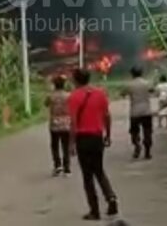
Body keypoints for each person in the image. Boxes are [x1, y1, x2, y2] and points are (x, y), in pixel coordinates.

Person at [68, 68, 118, 220]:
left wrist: (71, 144)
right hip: (97, 137)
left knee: (87, 176)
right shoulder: (100, 93)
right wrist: (108, 134)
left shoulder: (74, 97)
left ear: (75, 80)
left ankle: (94, 210)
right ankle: (111, 198)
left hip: (83, 139)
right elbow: (107, 116)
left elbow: (73, 123)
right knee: (99, 170)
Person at [122, 66, 154, 159]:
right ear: (141, 73)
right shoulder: (147, 83)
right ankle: (147, 152)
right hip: (146, 111)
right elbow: (152, 90)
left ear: (132, 74)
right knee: (147, 132)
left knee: (134, 131)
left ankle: (137, 145)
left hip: (135, 112)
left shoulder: (130, 85)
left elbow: (123, 93)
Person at [45, 75, 71, 176]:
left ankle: (57, 165)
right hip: (66, 123)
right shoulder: (68, 95)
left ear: (54, 85)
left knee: (55, 145)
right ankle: (67, 168)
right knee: (66, 146)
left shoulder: (51, 96)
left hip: (54, 124)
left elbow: (46, 104)